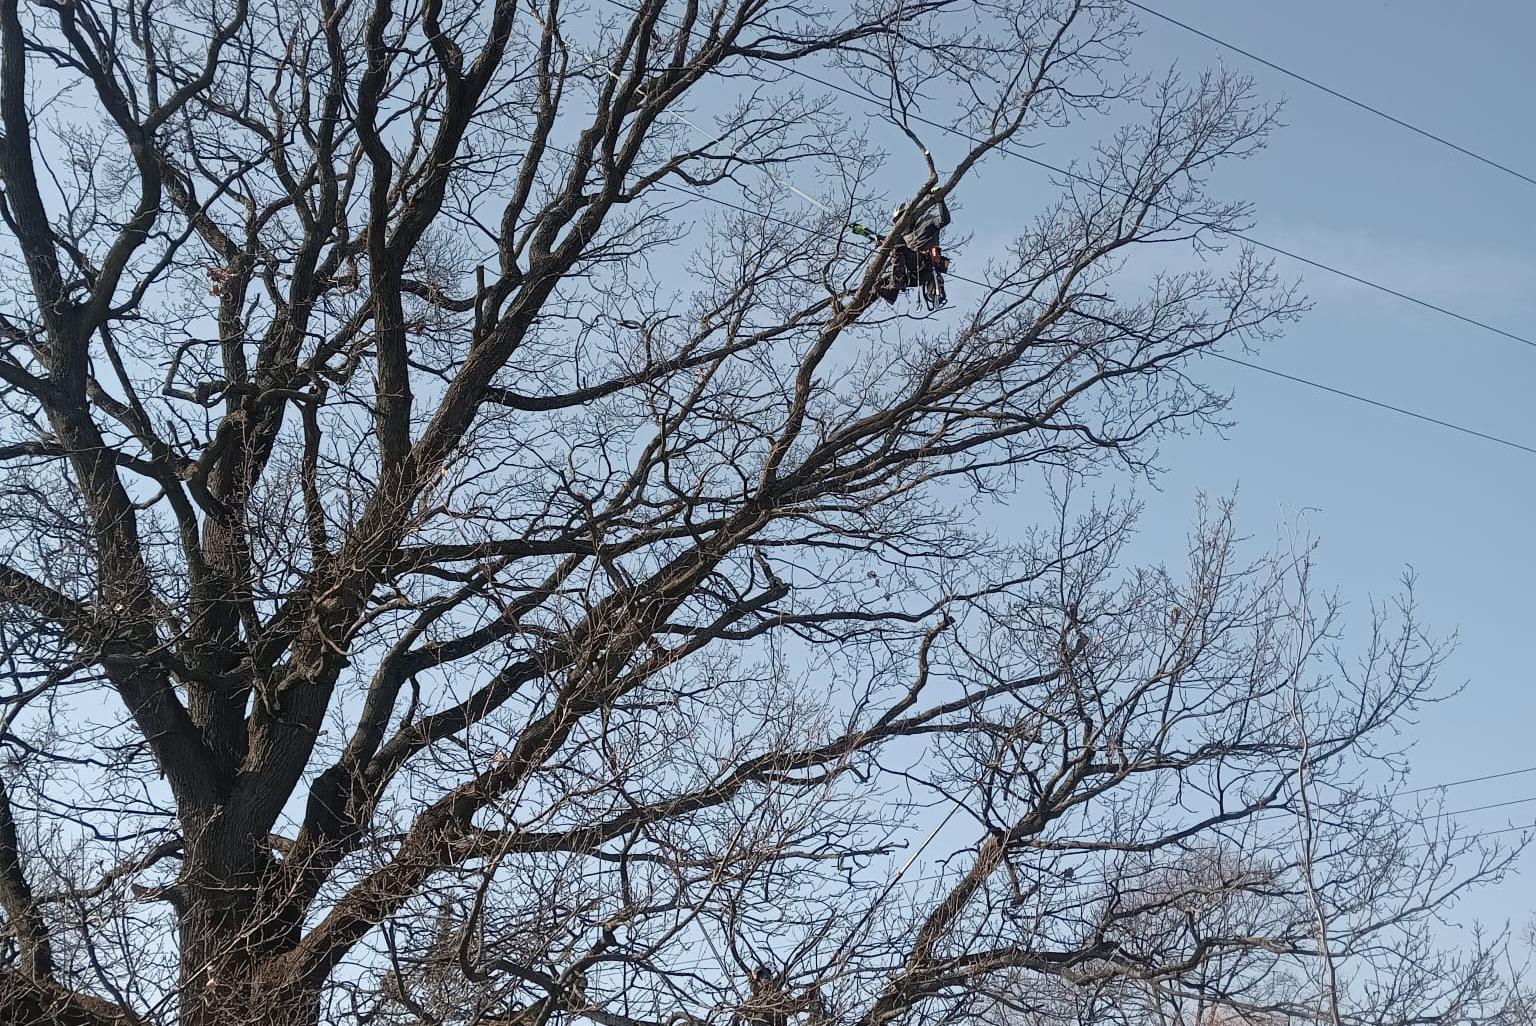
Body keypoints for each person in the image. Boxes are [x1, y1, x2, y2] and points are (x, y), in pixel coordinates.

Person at [853, 196, 951, 307]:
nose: (901, 223)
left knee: (899, 247)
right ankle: (856, 308)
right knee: (878, 284)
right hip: (910, 276)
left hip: (925, 268)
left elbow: (945, 220)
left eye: (902, 218)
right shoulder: (904, 236)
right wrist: (864, 231)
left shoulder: (927, 222)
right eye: (898, 221)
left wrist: (940, 199)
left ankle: (895, 284)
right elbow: (885, 240)